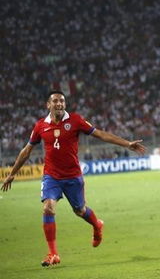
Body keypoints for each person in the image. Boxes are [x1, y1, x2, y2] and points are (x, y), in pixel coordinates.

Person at [1, 91, 146, 267]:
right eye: (55, 101)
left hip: (73, 176)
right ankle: (53, 254)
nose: (59, 104)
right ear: (48, 105)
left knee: (79, 210)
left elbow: (99, 134)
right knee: (48, 208)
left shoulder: (75, 120)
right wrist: (12, 173)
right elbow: (27, 151)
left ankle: (97, 225)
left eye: (62, 101)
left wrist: (127, 143)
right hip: (51, 176)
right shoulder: (40, 126)